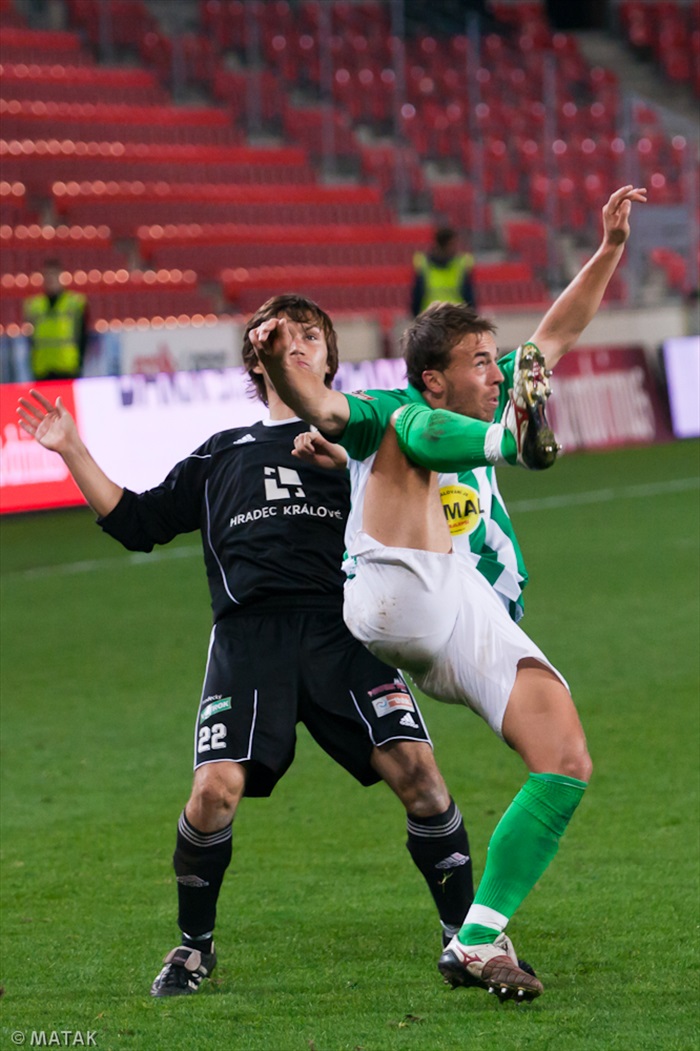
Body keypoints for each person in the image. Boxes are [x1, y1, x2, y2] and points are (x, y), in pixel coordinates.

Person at [16, 294, 477, 999]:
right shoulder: (219, 453)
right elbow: (138, 522)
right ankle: (193, 948)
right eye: (283, 334)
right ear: (256, 357)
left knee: (421, 775)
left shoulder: (363, 439)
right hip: (247, 637)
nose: (298, 343)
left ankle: (467, 938)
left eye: (312, 335)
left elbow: (430, 502)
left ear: (329, 357)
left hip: (343, 628)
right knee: (213, 792)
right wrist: (73, 448)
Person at [252, 185, 647, 1003]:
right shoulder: (392, 412)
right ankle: (514, 447)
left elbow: (556, 335)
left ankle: (475, 936)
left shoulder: (489, 384)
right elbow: (321, 404)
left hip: (464, 611)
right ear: (434, 376)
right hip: (393, 588)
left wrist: (607, 248)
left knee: (565, 759)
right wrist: (280, 365)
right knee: (407, 438)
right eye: (479, 363)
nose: (495, 372)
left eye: (495, 363)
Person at [23, 258, 89, 381]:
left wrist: (80, 364)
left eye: (53, 274)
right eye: (47, 275)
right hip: (42, 367)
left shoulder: (75, 302)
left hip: (67, 366)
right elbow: (30, 339)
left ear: (61, 276)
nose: (50, 279)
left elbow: (83, 335)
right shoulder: (33, 305)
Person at [411, 226, 476, 317]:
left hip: (452, 317)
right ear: (444, 245)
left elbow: (468, 293)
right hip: (435, 317)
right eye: (452, 244)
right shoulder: (423, 263)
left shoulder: (461, 263)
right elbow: (418, 293)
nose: (455, 248)